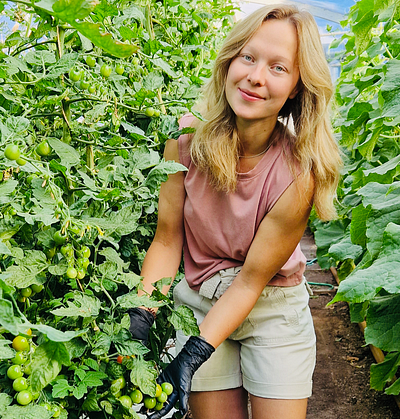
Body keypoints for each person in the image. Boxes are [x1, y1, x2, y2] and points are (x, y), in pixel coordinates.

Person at [127, 4, 342, 419]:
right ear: (229, 61)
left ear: (298, 85)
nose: (256, 77)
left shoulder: (299, 173)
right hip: (199, 302)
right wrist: (140, 315)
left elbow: (249, 283)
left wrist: (189, 357)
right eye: (248, 57)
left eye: (278, 68)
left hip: (270, 306)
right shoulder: (185, 141)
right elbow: (167, 240)